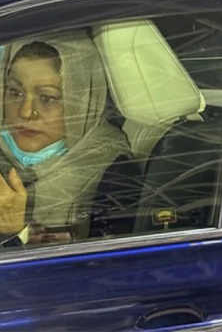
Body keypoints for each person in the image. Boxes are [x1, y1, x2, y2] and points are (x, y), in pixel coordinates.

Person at [0, 31, 130, 246]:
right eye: (15, 93)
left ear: (82, 101)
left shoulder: (113, 176)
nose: (25, 112)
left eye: (47, 98)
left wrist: (14, 234)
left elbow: (109, 265)